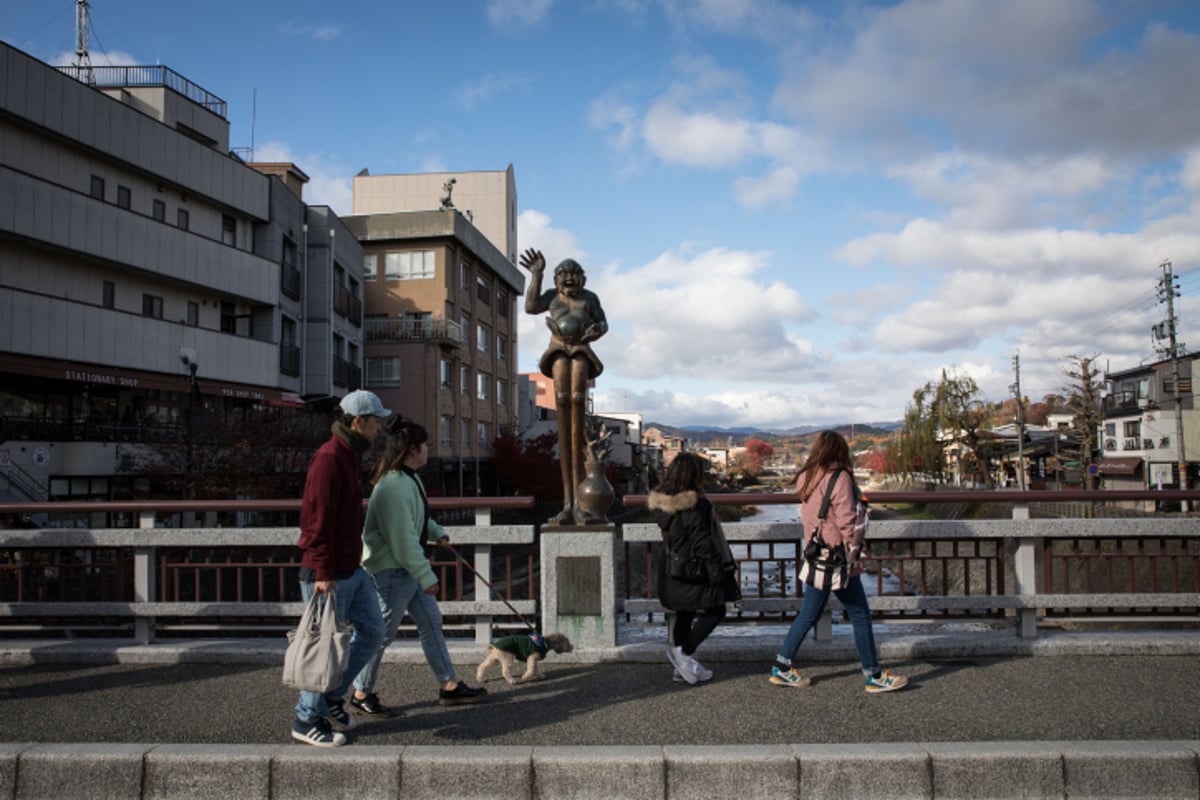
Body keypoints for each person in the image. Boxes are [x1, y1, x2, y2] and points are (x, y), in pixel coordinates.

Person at [349, 416, 486, 712]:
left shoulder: (407, 479)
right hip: (392, 570)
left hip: (404, 569)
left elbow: (416, 521)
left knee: (430, 624)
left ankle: (449, 684)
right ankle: (360, 693)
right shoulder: (396, 485)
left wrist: (437, 532)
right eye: (425, 445)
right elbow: (402, 539)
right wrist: (425, 575)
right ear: (412, 449)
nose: (427, 450)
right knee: (380, 633)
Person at [769, 430, 909, 693]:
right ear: (841, 452)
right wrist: (857, 547)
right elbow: (846, 520)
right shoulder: (840, 477)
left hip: (815, 554)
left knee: (809, 612)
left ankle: (782, 666)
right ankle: (874, 675)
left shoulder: (807, 477)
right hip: (837, 557)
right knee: (859, 614)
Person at [291, 390, 392, 747]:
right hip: (329, 572)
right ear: (358, 421)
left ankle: (331, 697)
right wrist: (322, 571)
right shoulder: (330, 458)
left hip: (351, 566)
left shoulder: (349, 454)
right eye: (376, 420)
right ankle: (306, 718)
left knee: (373, 632)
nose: (380, 427)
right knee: (323, 647)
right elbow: (314, 519)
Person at [519, 248, 608, 524]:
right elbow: (531, 306)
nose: (569, 281)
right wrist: (536, 275)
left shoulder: (590, 298)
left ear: (582, 279)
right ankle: (568, 502)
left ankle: (581, 502)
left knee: (577, 399)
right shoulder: (552, 297)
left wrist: (596, 330)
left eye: (574, 276)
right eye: (563, 276)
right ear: (557, 279)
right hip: (558, 350)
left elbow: (603, 322)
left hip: (581, 349)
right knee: (562, 400)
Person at [647, 452, 739, 685]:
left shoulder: (663, 504)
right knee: (716, 610)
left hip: (673, 569)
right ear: (692, 475)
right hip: (695, 569)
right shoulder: (693, 505)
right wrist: (717, 571)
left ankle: (683, 668)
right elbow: (702, 541)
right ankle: (683, 654)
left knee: (684, 614)